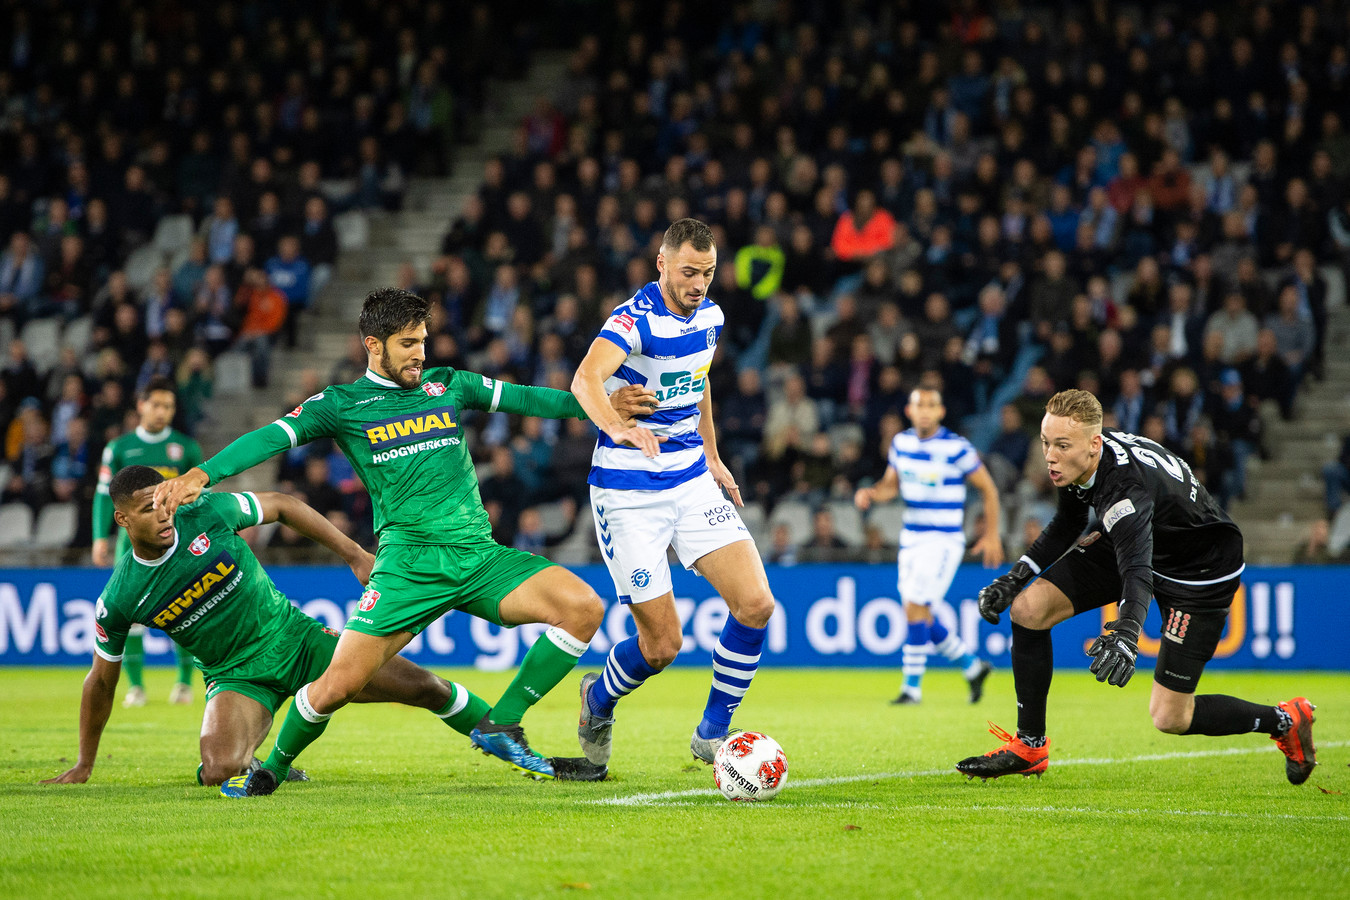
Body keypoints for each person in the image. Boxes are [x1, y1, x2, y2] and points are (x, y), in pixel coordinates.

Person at [152, 288, 655, 793]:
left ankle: (502, 724)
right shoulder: (341, 405)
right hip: (407, 567)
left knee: (583, 607)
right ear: (374, 345)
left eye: (423, 341)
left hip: (478, 555)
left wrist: (601, 407)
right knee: (337, 686)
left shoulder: (447, 385)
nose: (420, 353)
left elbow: (529, 398)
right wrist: (204, 472)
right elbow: (271, 437)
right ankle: (272, 769)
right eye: (408, 343)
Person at [44, 466, 500, 789]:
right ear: (122, 520)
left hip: (298, 642)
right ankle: (260, 764)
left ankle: (514, 743)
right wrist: (85, 761)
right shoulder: (121, 596)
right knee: (220, 769)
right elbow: (101, 680)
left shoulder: (205, 512)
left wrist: (355, 554)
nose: (164, 514)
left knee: (425, 687)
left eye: (164, 500)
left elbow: (281, 505)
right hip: (238, 677)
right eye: (148, 508)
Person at [959, 389, 1316, 785]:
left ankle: (1285, 720)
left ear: (1094, 444)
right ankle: (1029, 745)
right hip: (1146, 543)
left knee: (1170, 717)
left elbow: (1136, 570)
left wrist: (1127, 632)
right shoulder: (1082, 459)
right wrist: (1015, 578)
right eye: (1045, 443)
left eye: (1061, 445)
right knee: (1028, 609)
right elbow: (1068, 523)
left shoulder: (1124, 488)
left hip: (1198, 571)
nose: (1050, 456)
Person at [569, 218, 776, 768]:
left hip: (688, 477)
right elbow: (585, 381)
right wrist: (617, 426)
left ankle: (712, 734)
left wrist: (711, 455)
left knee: (756, 604)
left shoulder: (711, 316)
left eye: (707, 273)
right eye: (688, 271)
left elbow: (699, 377)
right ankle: (597, 697)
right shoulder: (633, 321)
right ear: (661, 264)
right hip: (627, 490)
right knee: (662, 647)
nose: (699, 283)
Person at [853, 388, 1001, 705]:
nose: (925, 411)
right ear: (909, 410)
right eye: (920, 405)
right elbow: (890, 487)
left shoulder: (956, 447)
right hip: (912, 538)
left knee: (917, 605)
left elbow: (988, 489)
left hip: (943, 539)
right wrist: (871, 494)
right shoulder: (901, 443)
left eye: (931, 405)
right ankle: (972, 666)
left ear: (940, 412)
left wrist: (992, 535)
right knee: (917, 611)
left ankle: (912, 688)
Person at [91, 376, 203, 707]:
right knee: (131, 615)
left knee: (185, 610)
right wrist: (100, 538)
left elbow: (199, 496)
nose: (162, 412)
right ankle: (136, 687)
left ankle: (184, 684)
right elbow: (102, 496)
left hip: (177, 541)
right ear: (141, 405)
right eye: (156, 405)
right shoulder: (119, 448)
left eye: (168, 406)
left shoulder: (186, 448)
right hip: (132, 545)